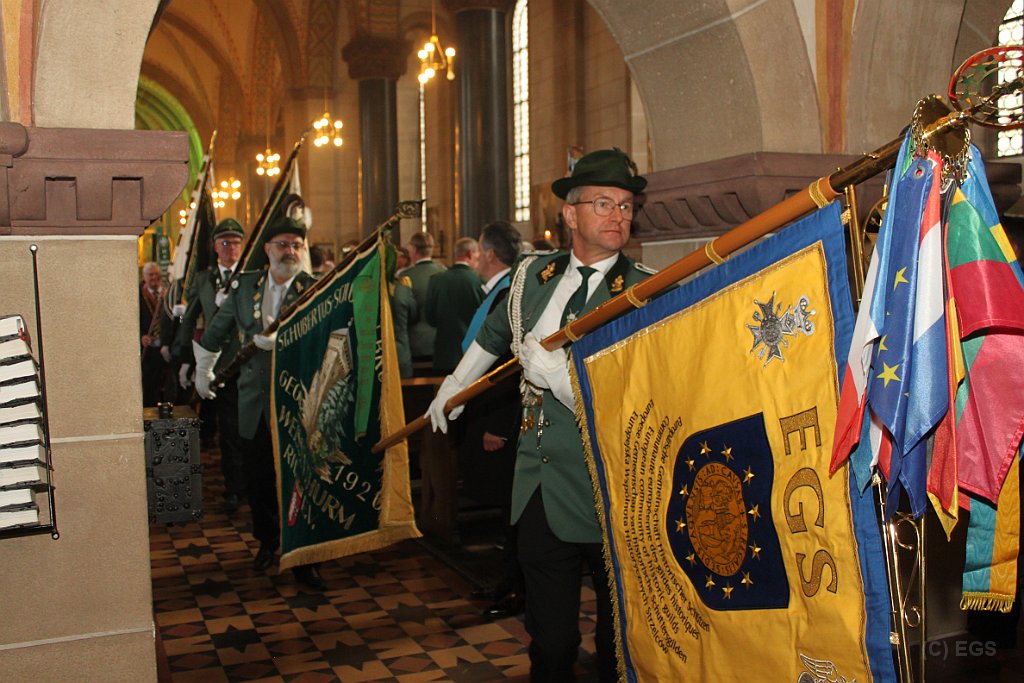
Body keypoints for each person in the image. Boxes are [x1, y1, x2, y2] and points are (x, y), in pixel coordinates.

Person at [428, 148, 652, 681]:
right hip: (539, 484)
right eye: (603, 203)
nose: (618, 215)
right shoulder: (534, 274)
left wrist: (561, 380)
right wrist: (454, 387)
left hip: (609, 486)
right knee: (550, 639)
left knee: (617, 638)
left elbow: (639, 400)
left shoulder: (645, 289)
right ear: (570, 214)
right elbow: (493, 336)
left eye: (625, 205)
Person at [192, 216, 326, 590]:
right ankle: (267, 542)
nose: (290, 251)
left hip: (298, 402)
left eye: (296, 245)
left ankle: (304, 558)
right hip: (253, 402)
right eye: (283, 244)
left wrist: (288, 341)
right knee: (259, 478)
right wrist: (203, 369)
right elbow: (217, 330)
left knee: (301, 482)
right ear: (267, 249)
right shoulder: (245, 287)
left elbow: (326, 339)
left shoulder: (314, 289)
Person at [456, 220, 525, 618]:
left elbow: (506, 365)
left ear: (491, 254)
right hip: (493, 411)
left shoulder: (510, 292)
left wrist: (496, 425)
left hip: (503, 416)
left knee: (513, 508)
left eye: (479, 252)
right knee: (507, 508)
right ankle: (507, 582)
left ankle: (516, 588)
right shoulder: (503, 289)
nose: (476, 260)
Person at [173, 218, 247, 512]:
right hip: (218, 364)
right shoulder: (203, 280)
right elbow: (189, 318)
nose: (231, 248)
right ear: (215, 246)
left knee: (252, 429)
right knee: (228, 430)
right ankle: (234, 488)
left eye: (236, 242)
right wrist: (185, 359)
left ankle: (252, 485)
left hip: (249, 361)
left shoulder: (252, 275)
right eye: (225, 243)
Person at [426, 237, 483, 373]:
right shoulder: (479, 281)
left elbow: (430, 318)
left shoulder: (436, 280)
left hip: (444, 353)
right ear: (470, 254)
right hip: (472, 354)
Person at [405, 232, 446, 369]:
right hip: (440, 341)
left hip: (415, 343)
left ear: (414, 250)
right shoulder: (444, 272)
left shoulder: (405, 277)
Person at [139, 261, 169, 407]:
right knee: (150, 386)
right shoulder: (137, 295)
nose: (154, 277)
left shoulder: (169, 293)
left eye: (157, 274)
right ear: (144, 277)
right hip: (148, 351)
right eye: (150, 275)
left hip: (166, 348)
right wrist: (141, 336)